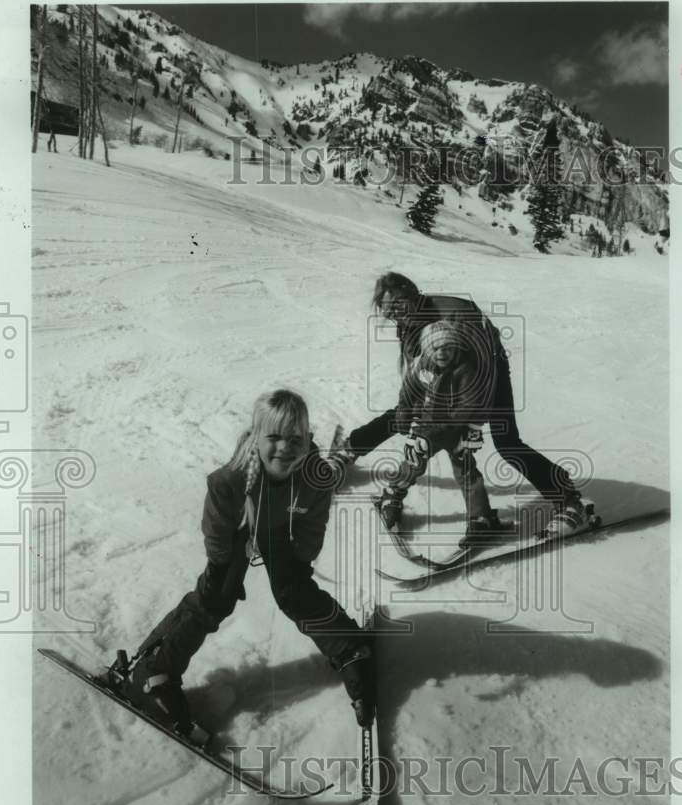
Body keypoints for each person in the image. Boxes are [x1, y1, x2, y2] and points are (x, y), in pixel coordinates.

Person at [122, 389, 375, 739]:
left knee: (294, 591)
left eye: (295, 438)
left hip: (281, 531)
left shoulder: (315, 475)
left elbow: (314, 520)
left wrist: (300, 558)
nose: (284, 447)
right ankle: (153, 669)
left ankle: (349, 647)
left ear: (308, 438)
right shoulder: (231, 479)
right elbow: (216, 526)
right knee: (217, 596)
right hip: (240, 530)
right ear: (256, 438)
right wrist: (221, 564)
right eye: (273, 437)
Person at [331, 272, 586, 535]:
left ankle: (569, 502)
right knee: (402, 415)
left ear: (412, 295)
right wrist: (413, 413)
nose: (394, 314)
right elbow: (415, 372)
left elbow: (482, 370)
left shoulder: (455, 316)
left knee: (507, 442)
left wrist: (472, 422)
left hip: (489, 370)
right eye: (387, 311)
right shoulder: (409, 320)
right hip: (446, 370)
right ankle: (350, 449)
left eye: (397, 306)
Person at [374, 320, 501, 547]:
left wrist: (470, 431)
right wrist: (405, 418)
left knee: (466, 470)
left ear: (456, 348)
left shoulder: (465, 370)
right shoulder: (421, 365)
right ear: (427, 349)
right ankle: (391, 497)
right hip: (427, 425)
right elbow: (408, 392)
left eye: (447, 347)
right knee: (413, 463)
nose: (441, 353)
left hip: (457, 428)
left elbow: (468, 407)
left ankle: (480, 518)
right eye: (435, 348)